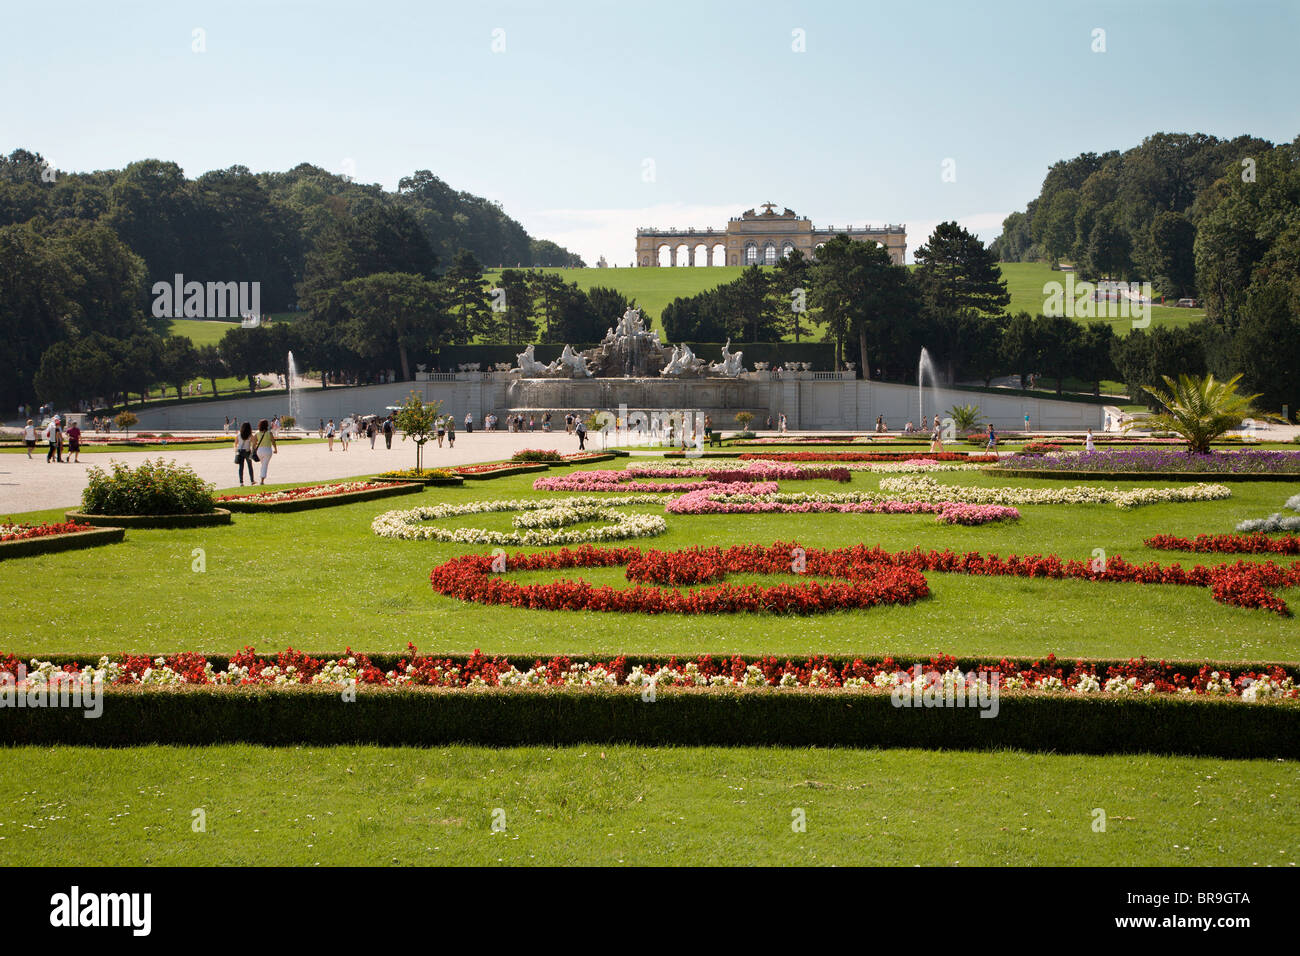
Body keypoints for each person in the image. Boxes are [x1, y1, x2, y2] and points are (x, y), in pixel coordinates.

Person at [253, 419, 277, 484]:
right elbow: (273, 441)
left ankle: (262, 477)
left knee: (263, 464)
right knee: (264, 465)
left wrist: (254, 449)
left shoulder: (257, 433)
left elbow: (254, 443)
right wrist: (275, 449)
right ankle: (262, 480)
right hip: (267, 450)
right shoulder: (269, 433)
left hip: (260, 450)